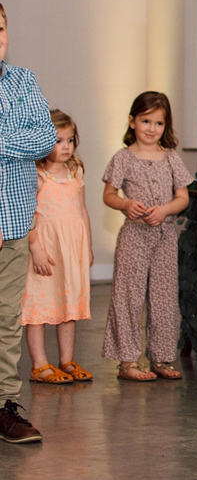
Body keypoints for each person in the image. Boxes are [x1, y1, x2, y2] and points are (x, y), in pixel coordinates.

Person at [100, 91, 191, 382]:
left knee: (164, 297)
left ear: (166, 127)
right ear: (132, 121)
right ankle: (127, 361)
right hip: (133, 238)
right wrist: (126, 204)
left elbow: (183, 198)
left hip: (164, 236)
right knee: (128, 297)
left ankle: (161, 358)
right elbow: (109, 195)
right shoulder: (122, 158)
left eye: (159, 123)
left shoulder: (171, 159)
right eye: (145, 121)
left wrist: (164, 210)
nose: (152, 129)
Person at [0, 2, 58, 445]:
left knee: (6, 320)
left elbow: (43, 138)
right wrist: (13, 142)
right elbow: (26, 140)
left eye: (1, 28)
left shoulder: (22, 80)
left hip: (15, 220)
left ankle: (3, 405)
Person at [24, 110, 95, 384]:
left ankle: (66, 360)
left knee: (69, 305)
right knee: (39, 306)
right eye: (57, 141)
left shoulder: (75, 170)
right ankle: (40, 364)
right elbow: (28, 214)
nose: (65, 147)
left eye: (69, 140)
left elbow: (83, 211)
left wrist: (86, 246)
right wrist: (36, 248)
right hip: (46, 250)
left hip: (71, 250)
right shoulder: (37, 174)